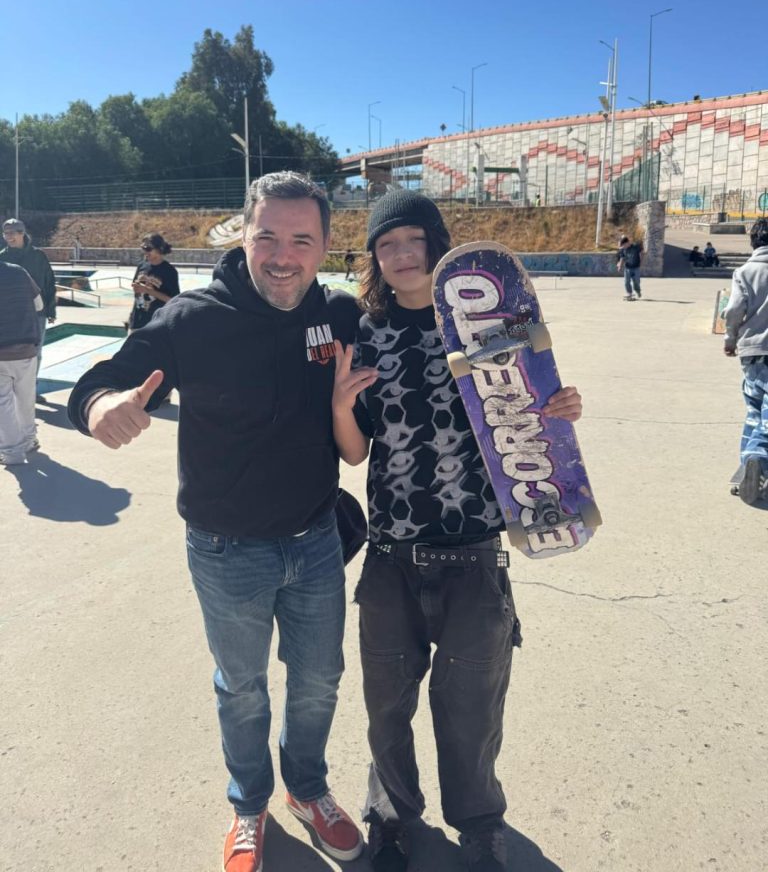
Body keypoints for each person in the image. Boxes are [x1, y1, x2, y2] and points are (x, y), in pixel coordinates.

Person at [67, 172, 364, 872]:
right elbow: (97, 380)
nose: (283, 255)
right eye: (268, 236)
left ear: (324, 246)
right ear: (244, 235)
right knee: (243, 688)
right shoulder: (192, 319)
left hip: (317, 538)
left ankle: (308, 790)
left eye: (302, 239)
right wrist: (100, 407)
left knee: (319, 679)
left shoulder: (339, 316)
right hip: (227, 549)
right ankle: (248, 805)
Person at [331, 191, 583, 872]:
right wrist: (340, 406)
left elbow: (530, 418)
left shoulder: (485, 325)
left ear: (438, 247)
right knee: (387, 705)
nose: (402, 256)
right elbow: (355, 454)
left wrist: (561, 407)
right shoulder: (366, 330)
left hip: (475, 551)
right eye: (387, 245)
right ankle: (389, 812)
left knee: (471, 708)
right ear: (374, 258)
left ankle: (478, 823)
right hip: (391, 552)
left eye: (414, 241)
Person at [723, 217, 768, 505]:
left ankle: (746, 472)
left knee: (754, 410)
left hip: (752, 351)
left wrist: (730, 340)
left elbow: (734, 310)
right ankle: (757, 459)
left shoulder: (745, 271)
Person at [1, 218, 56, 393]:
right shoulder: (2, 257)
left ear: (22, 233)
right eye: (5, 233)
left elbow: (49, 282)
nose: (8, 237)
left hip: (36, 313)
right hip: (9, 314)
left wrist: (51, 309)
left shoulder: (38, 256)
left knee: (35, 351)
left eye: (12, 233)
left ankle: (31, 387)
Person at [0, 261, 43, 465]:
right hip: (25, 346)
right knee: (26, 398)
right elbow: (39, 305)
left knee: (3, 404)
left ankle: (11, 453)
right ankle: (28, 441)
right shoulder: (20, 271)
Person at [128, 233, 180, 332]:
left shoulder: (169, 271)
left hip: (156, 325)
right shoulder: (141, 266)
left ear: (159, 249)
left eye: (148, 249)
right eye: (143, 248)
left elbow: (173, 301)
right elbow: (137, 290)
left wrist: (149, 291)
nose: (144, 252)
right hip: (137, 322)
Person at [616, 235, 643, 300]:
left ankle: (638, 291)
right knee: (626, 282)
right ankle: (629, 293)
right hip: (627, 267)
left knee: (636, 281)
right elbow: (622, 257)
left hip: (636, 267)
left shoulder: (635, 247)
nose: (623, 247)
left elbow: (641, 252)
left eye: (624, 245)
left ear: (627, 243)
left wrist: (641, 261)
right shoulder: (623, 249)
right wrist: (620, 265)